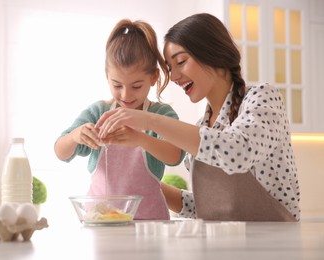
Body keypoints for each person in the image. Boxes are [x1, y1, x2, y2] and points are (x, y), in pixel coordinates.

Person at [96, 13, 301, 222]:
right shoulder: (202, 127)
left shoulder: (261, 98)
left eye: (181, 62)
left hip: (273, 244)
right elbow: (212, 207)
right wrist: (145, 185)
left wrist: (148, 120)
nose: (174, 77)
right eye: (169, 68)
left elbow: (238, 151)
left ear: (212, 53)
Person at [54, 19, 185, 220]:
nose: (126, 95)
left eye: (136, 86)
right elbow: (60, 151)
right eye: (117, 85)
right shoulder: (98, 112)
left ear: (153, 77)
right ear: (107, 77)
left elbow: (175, 155)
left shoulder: (161, 114)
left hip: (149, 224)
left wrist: (140, 138)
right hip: (100, 222)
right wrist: (74, 137)